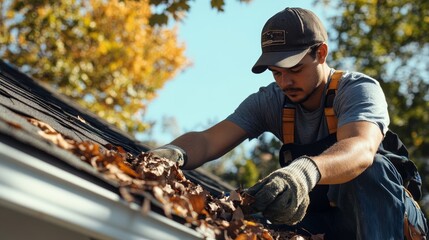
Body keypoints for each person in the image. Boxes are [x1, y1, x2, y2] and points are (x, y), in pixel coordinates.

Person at [149, 7, 428, 239]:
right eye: (276, 73)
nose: (285, 82)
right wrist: (172, 154)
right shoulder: (271, 101)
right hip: (328, 224)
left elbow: (361, 149)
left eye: (295, 70)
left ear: (321, 53)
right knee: (254, 212)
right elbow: (209, 140)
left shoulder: (357, 89)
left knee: (370, 170)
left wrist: (306, 171)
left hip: (390, 218)